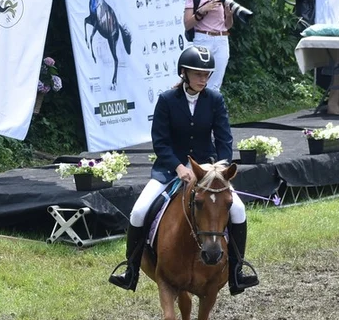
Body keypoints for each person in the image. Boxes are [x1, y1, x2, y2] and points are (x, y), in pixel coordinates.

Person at [108, 45, 259, 295]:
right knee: (138, 211)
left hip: (209, 173)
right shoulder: (167, 100)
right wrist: (178, 167)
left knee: (239, 210)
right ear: (184, 73)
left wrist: (219, 167)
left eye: (207, 74)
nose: (203, 79)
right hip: (170, 171)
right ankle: (131, 271)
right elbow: (160, 141)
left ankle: (236, 271)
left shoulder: (214, 100)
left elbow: (224, 139)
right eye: (198, 74)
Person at [183, 0, 233, 91]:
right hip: (203, 39)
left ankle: (210, 111)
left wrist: (229, 16)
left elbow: (228, 25)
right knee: (199, 81)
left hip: (221, 39)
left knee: (215, 84)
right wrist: (202, 10)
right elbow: (187, 24)